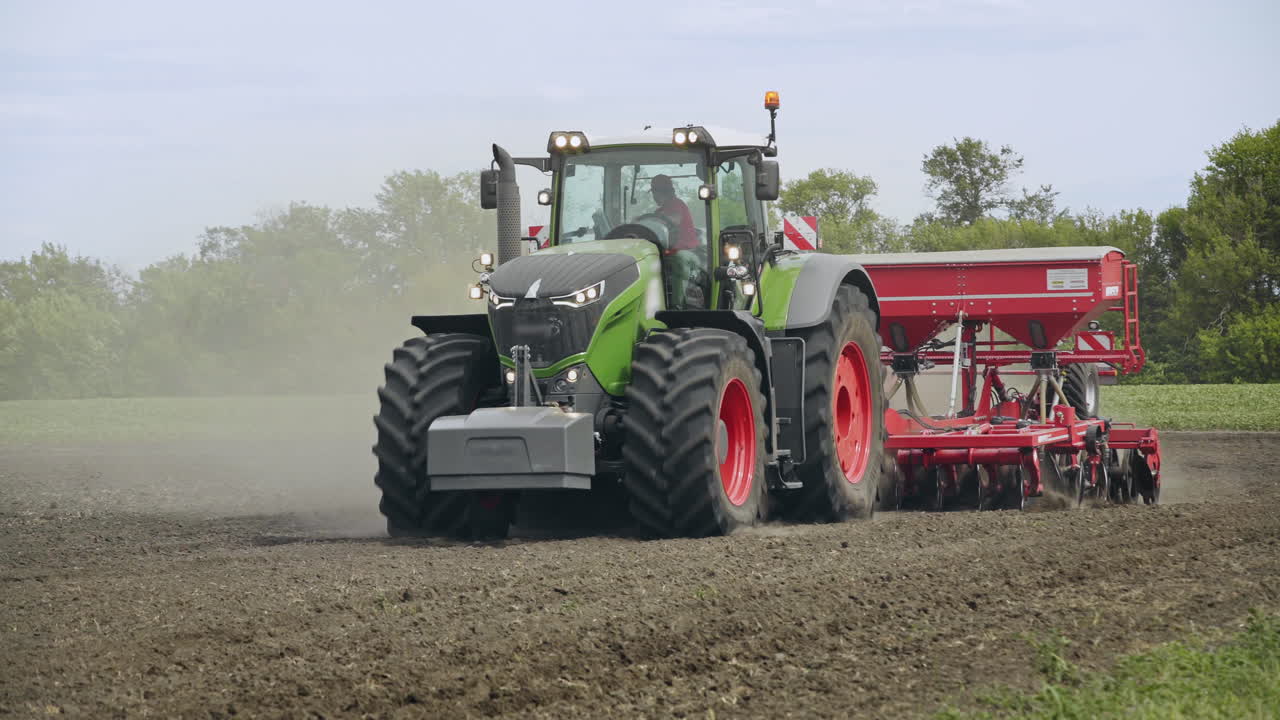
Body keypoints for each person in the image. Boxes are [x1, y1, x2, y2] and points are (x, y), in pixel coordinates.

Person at [649, 174, 699, 253]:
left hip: (685, 249)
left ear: (664, 192)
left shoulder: (676, 204)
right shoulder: (659, 211)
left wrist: (653, 221)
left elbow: (675, 220)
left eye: (655, 192)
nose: (654, 196)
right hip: (669, 250)